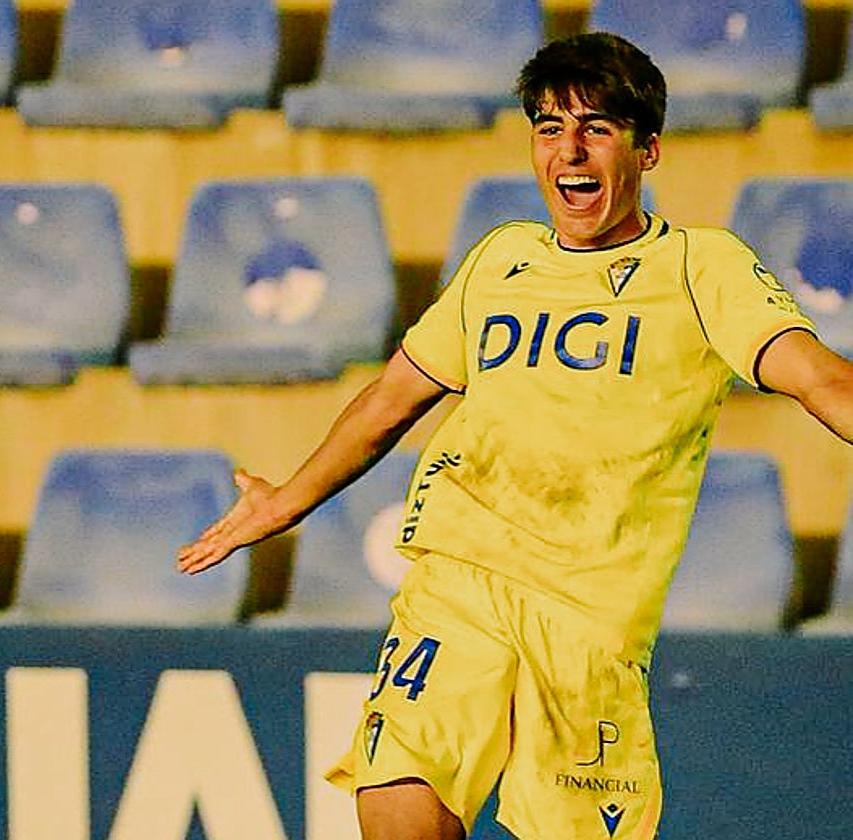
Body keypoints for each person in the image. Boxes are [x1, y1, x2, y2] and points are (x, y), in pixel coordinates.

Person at [178, 31, 853, 840]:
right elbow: (394, 395)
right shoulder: (501, 260)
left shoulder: (703, 269)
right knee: (394, 797)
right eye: (548, 127)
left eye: (598, 128)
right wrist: (289, 498)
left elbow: (820, 379)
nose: (570, 149)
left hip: (588, 620)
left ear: (649, 151)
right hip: (459, 580)